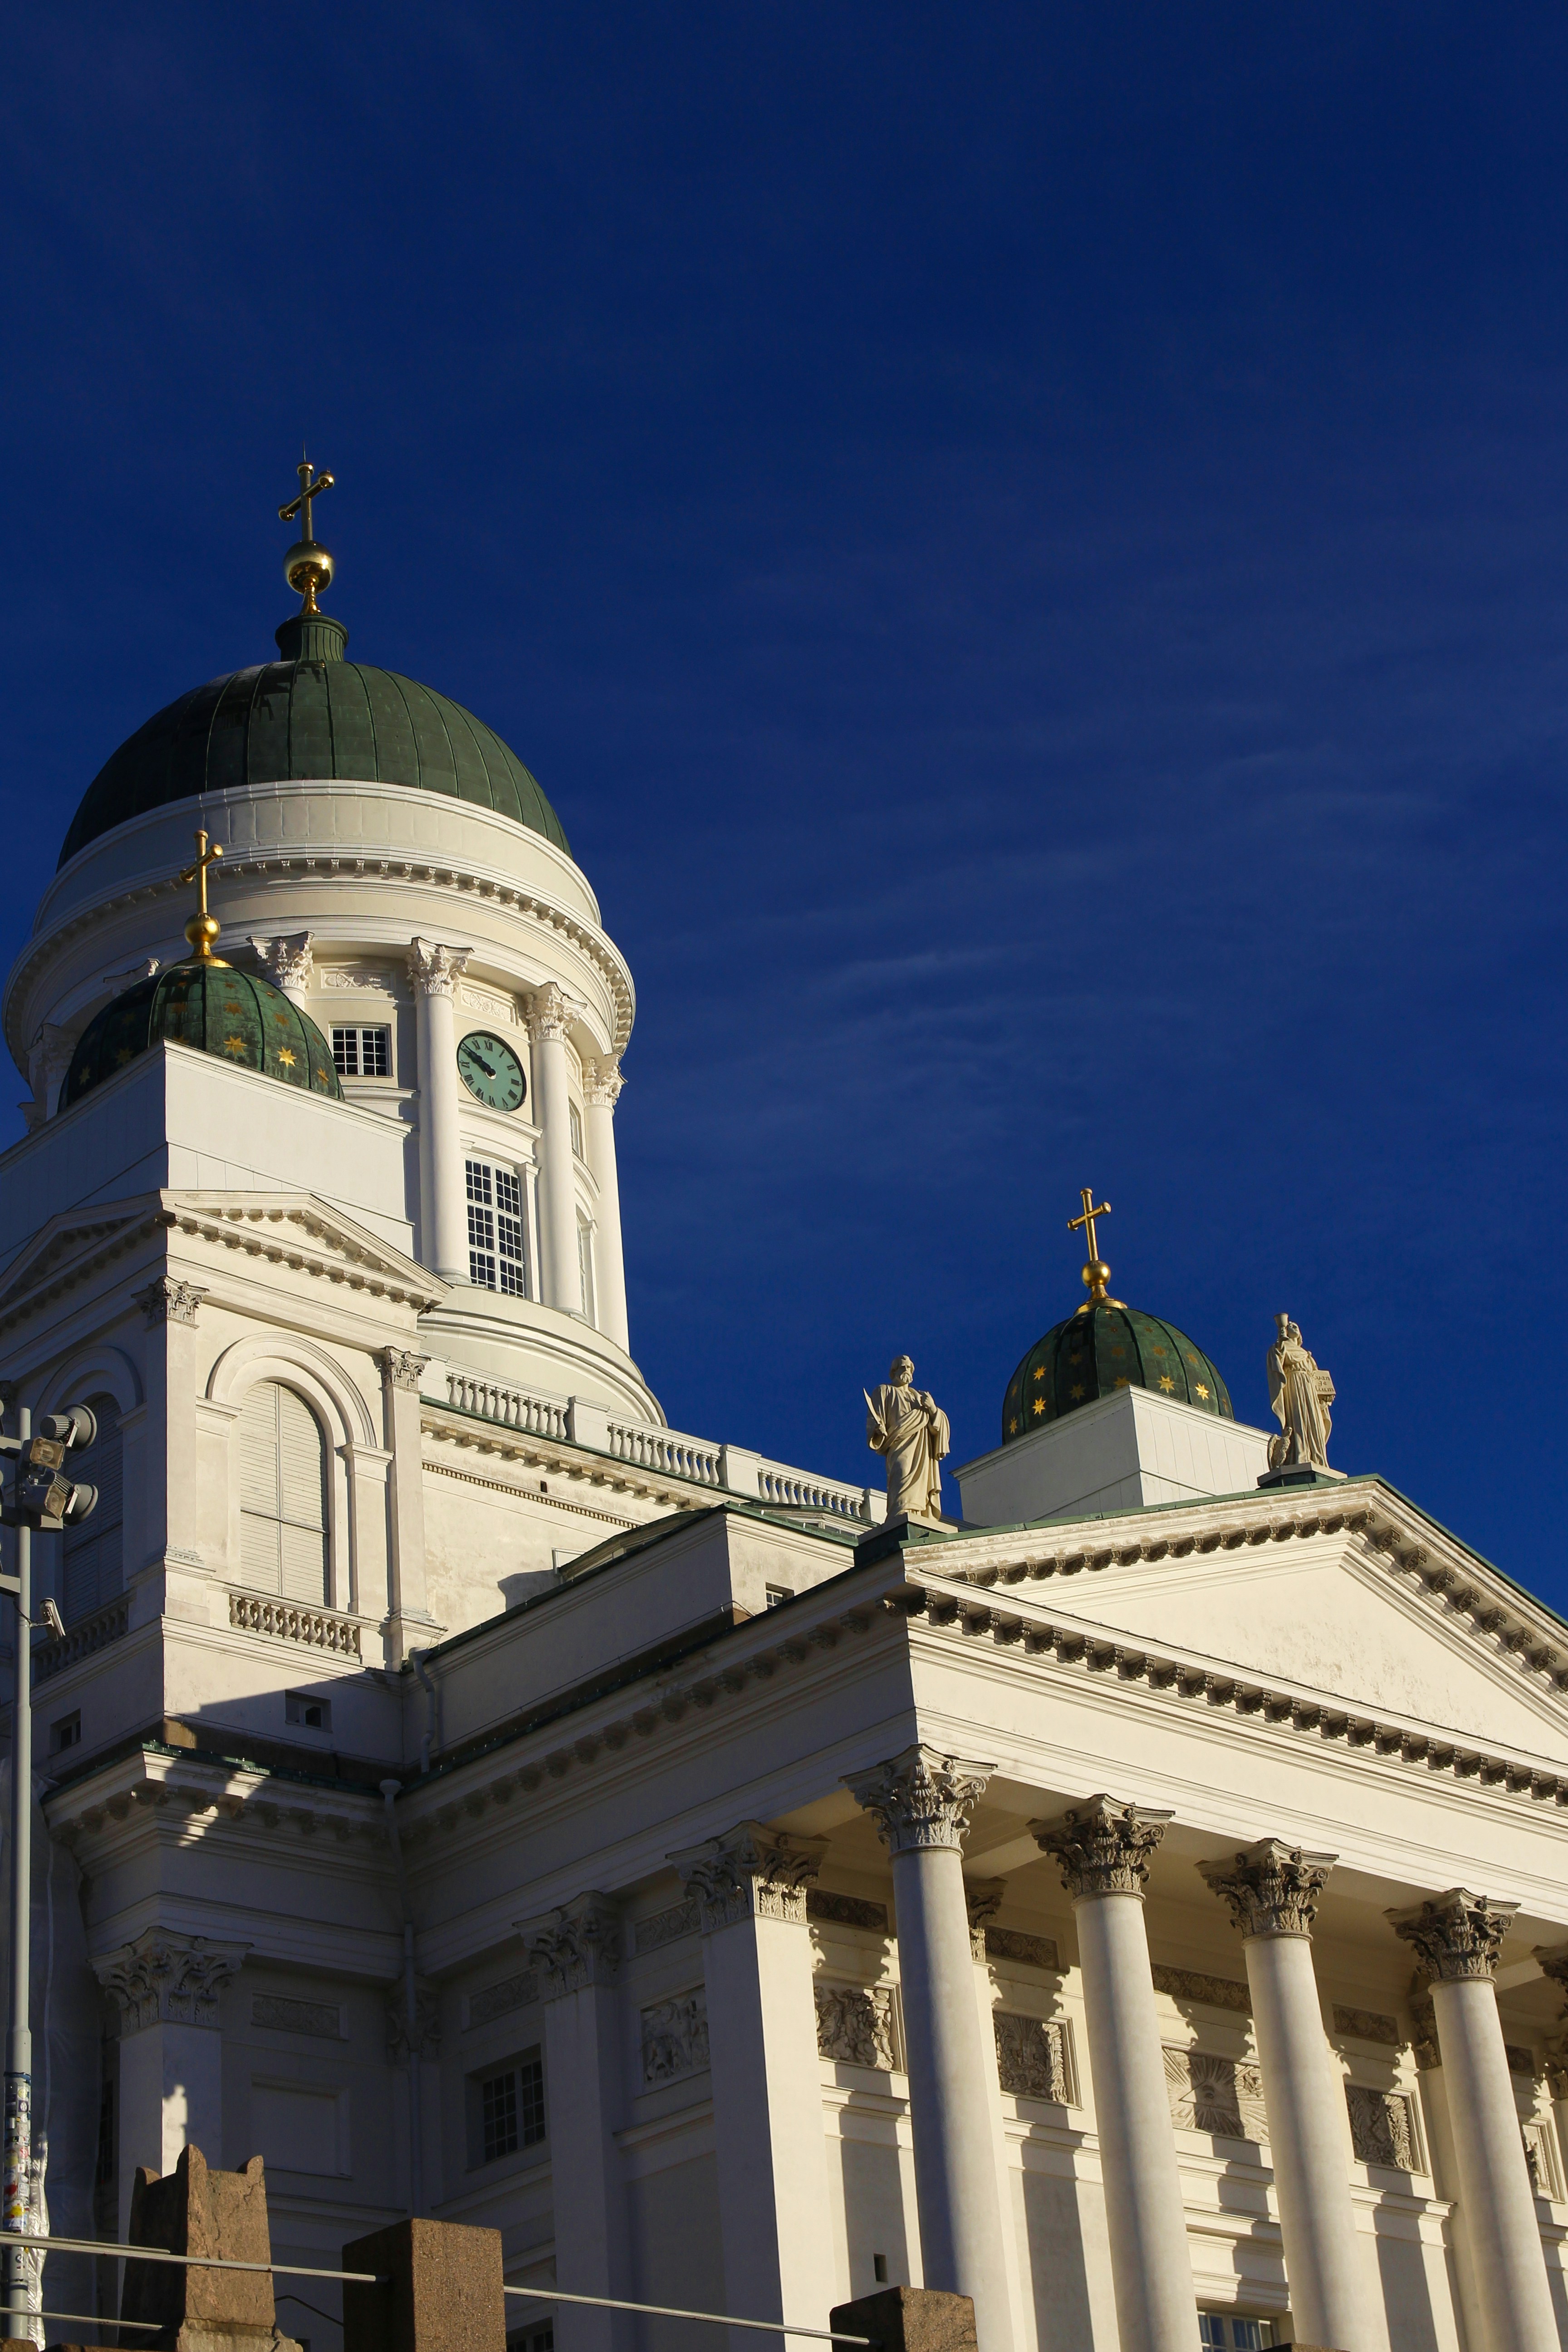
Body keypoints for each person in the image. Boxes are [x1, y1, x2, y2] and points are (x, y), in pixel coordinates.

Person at [865, 1357, 950, 1520]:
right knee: (901, 1471)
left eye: (909, 1368)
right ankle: (900, 1516)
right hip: (899, 1446)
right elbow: (875, 1421)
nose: (906, 1370)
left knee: (921, 1486)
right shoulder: (884, 1391)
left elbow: (941, 1424)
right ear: (894, 1371)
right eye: (902, 1367)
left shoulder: (920, 1398)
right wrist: (878, 1431)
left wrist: (932, 1409)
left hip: (922, 1449)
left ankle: (921, 1516)